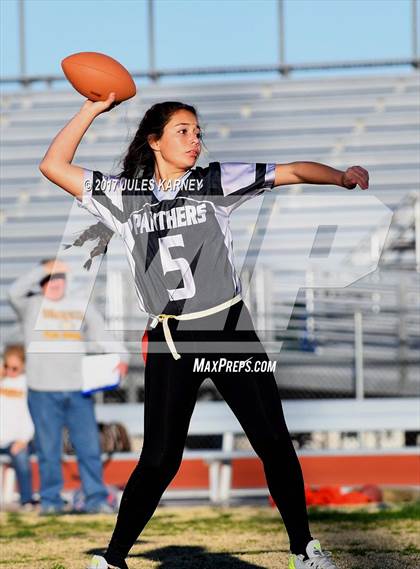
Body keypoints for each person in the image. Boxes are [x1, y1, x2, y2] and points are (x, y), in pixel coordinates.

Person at [38, 93, 369, 568]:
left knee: (273, 441)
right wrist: (93, 107)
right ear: (154, 141)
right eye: (183, 131)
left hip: (227, 329)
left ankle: (305, 551)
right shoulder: (123, 195)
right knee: (159, 460)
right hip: (170, 340)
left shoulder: (214, 180)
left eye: (198, 132)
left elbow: (292, 171)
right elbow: (53, 164)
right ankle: (112, 560)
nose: (196, 140)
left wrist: (339, 177)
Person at [8, 259, 129, 515]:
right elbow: (13, 291)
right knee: (48, 450)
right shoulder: (31, 306)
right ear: (41, 282)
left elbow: (101, 334)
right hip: (42, 391)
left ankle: (95, 498)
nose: (55, 283)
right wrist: (44, 267)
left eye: (59, 278)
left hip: (78, 391)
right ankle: (51, 502)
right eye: (49, 279)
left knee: (89, 448)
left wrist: (122, 358)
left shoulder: (79, 303)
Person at [0, 344, 36, 510]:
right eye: (6, 366)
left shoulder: (27, 384)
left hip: (17, 440)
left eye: (14, 368)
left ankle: (26, 499)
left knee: (22, 460)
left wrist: (23, 440)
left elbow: (30, 416)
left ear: (23, 366)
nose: (9, 372)